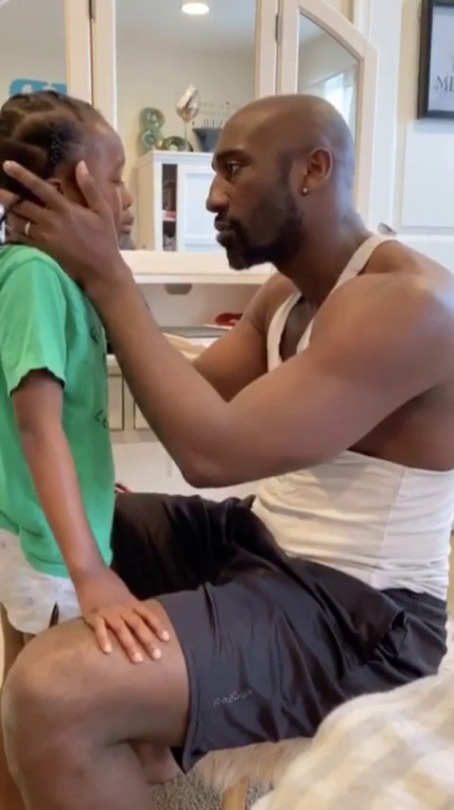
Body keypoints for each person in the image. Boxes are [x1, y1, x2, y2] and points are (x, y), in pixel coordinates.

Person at [1, 93, 454, 810]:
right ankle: (85, 758)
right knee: (45, 537)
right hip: (266, 547)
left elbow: (210, 451)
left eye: (234, 169)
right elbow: (192, 392)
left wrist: (107, 276)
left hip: (366, 617)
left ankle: (78, 734)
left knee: (54, 689)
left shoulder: (408, 304)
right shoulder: (285, 296)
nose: (213, 195)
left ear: (312, 170)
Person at [0, 91, 166, 810]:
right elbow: (37, 426)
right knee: (57, 706)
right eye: (119, 175)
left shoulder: (58, 280)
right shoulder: (33, 278)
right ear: (76, 184)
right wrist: (91, 570)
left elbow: (68, 423)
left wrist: (100, 491)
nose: (128, 198)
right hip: (49, 552)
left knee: (20, 697)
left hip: (46, 532)